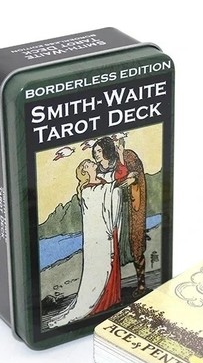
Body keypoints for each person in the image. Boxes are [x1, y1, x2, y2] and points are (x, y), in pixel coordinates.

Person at [48, 158, 134, 328]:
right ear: (85, 172)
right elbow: (108, 192)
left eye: (90, 162)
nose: (91, 163)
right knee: (100, 270)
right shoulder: (87, 191)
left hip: (109, 231)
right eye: (87, 164)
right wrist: (124, 182)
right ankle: (99, 303)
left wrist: (121, 182)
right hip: (99, 237)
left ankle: (112, 299)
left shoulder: (101, 182)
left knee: (111, 266)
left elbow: (112, 191)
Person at [92, 136, 147, 297]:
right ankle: (110, 290)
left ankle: (141, 285)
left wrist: (127, 178)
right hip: (111, 211)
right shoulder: (98, 169)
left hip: (128, 209)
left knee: (135, 245)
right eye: (95, 151)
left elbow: (134, 176)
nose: (96, 154)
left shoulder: (126, 157)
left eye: (99, 151)